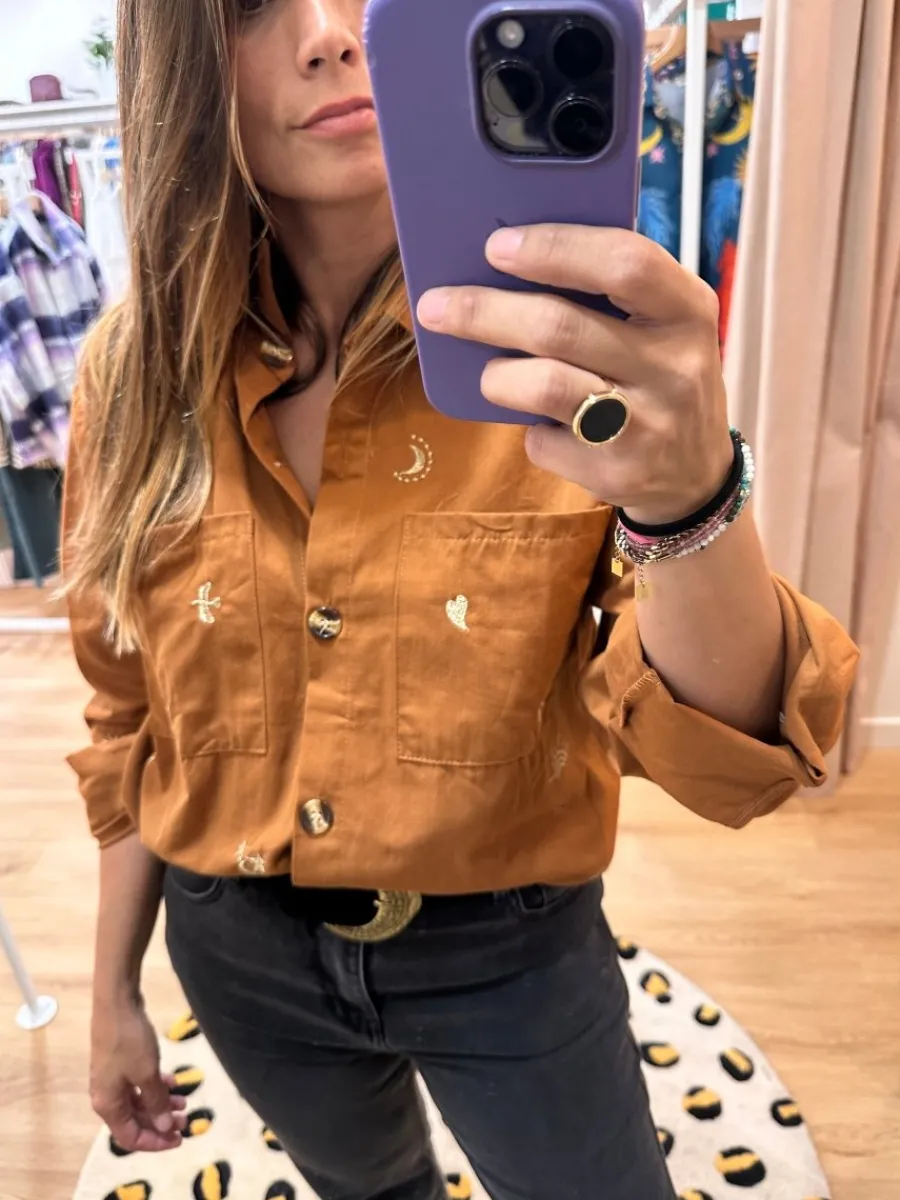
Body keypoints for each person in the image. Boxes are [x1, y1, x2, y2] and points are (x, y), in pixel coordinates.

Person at [62, 1, 859, 1198]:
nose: (331, 34)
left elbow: (730, 747)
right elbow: (129, 718)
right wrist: (112, 991)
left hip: (514, 952)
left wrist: (686, 495)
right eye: (256, 4)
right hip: (238, 946)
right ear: (180, 57)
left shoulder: (573, 358)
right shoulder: (132, 377)